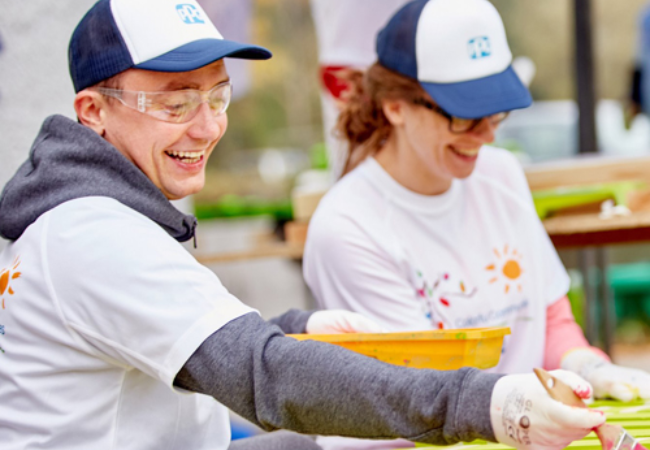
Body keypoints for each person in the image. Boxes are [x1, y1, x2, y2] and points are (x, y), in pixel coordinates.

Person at [0, 1, 607, 449]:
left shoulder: (99, 216)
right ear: (92, 113)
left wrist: (301, 325)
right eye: (175, 102)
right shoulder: (96, 236)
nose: (208, 128)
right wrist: (485, 400)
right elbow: (262, 374)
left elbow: (203, 339)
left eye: (216, 97)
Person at [303, 0, 650, 448]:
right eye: (464, 115)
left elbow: (546, 316)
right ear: (395, 105)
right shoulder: (350, 228)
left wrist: (586, 367)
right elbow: (420, 402)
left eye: (496, 112)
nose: (486, 135)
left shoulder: (499, 174)